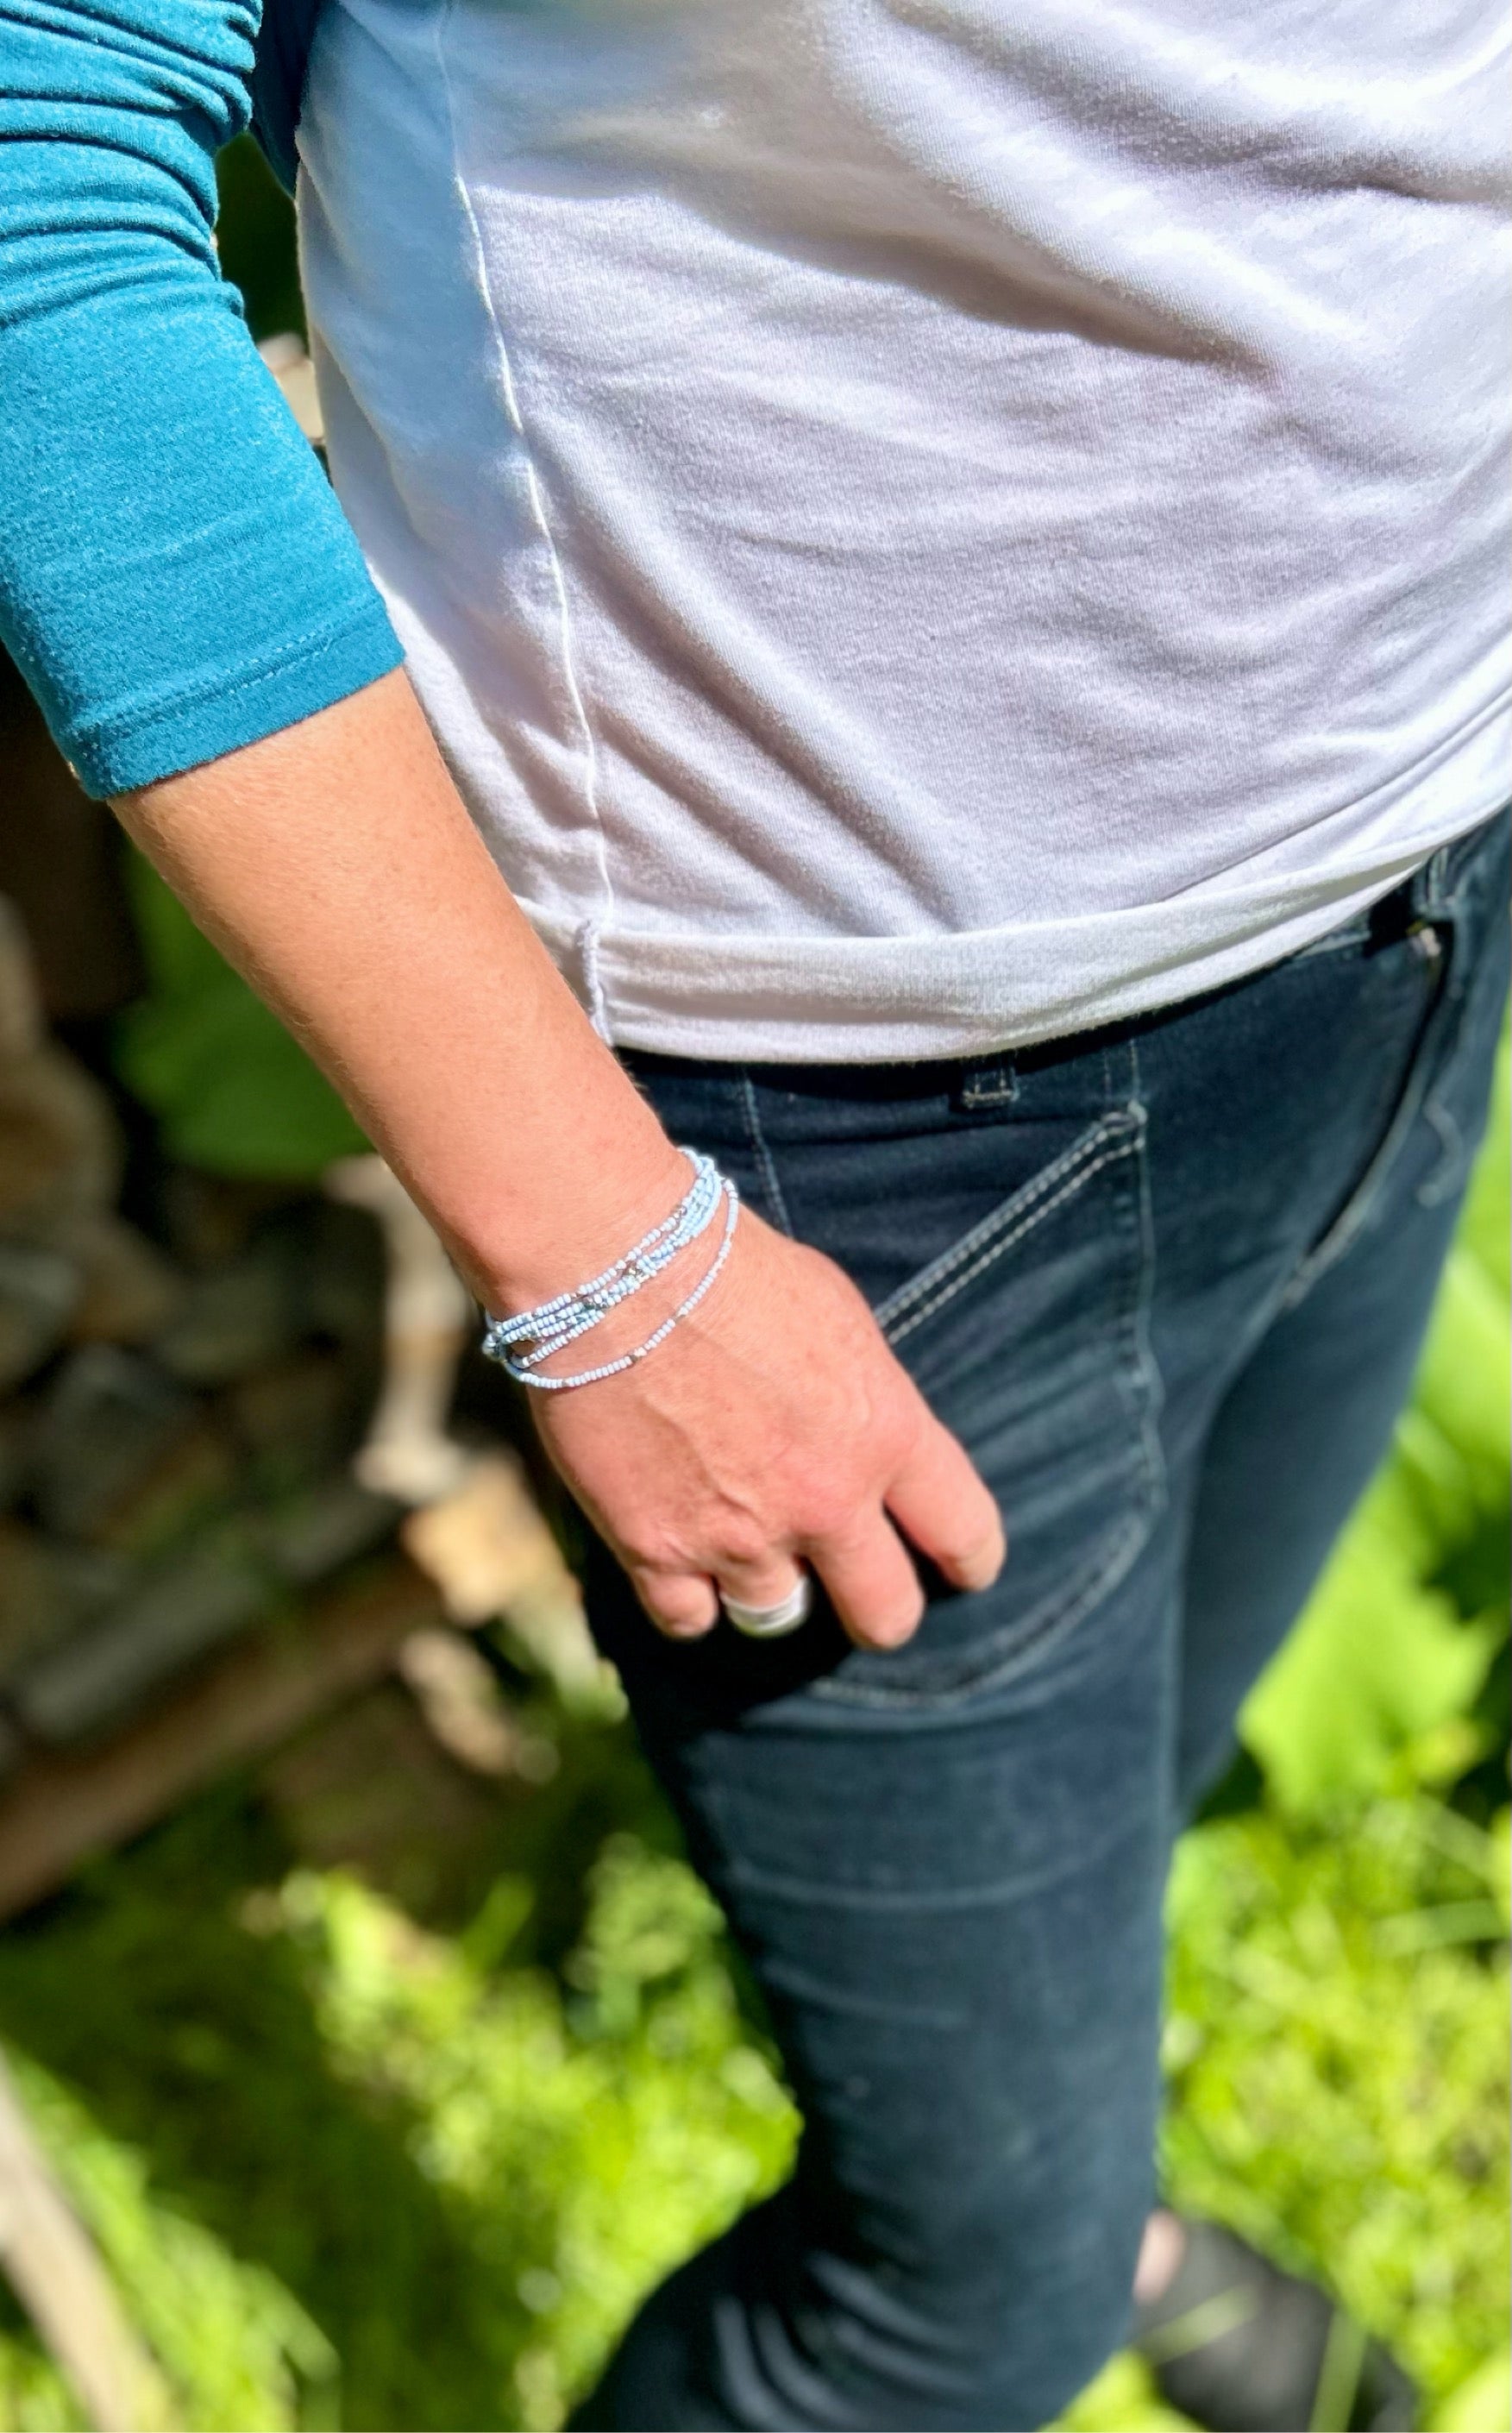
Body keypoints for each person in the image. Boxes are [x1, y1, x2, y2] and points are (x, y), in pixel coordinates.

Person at [1, 2, 1506, 2424]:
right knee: (938, 2307)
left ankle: (1071, 2191)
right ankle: (1026, 2253)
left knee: (1099, 1856)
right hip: (878, 1135)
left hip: (1418, 907)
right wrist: (609, 1256)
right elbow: (29, 173)